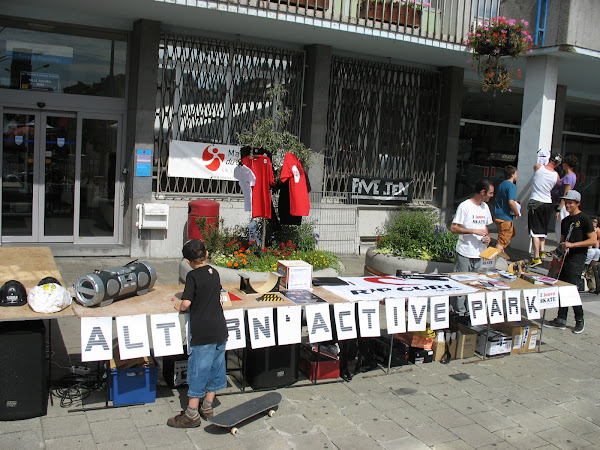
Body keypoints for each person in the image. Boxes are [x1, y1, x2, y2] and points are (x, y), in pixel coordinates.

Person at [168, 239, 228, 428]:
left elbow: (187, 303)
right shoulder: (215, 273)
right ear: (207, 254)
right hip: (220, 328)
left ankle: (192, 413)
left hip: (203, 331)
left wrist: (179, 305)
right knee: (216, 366)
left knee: (199, 369)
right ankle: (208, 406)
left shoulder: (192, 277)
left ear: (187, 261)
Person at [544, 191, 596, 334]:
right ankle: (561, 318)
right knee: (561, 288)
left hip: (577, 258)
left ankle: (579, 319)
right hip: (564, 258)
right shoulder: (565, 220)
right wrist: (554, 259)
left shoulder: (584, 219)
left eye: (570, 202)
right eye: (566, 202)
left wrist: (573, 245)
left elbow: (592, 240)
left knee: (572, 290)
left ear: (577, 203)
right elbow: (561, 242)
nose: (567, 205)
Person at [450, 179, 494, 313]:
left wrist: (487, 237)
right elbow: (454, 228)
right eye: (490, 193)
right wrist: (472, 230)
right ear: (482, 192)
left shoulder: (485, 207)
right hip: (465, 252)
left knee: (476, 285)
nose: (492, 196)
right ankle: (459, 313)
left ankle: (471, 313)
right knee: (461, 284)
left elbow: (484, 226)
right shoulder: (465, 206)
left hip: (480, 253)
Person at [528, 154, 561, 266]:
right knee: (543, 229)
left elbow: (536, 168)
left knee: (534, 232)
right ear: (558, 164)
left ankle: (536, 257)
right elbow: (556, 184)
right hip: (547, 203)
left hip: (536, 202)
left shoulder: (538, 167)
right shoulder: (556, 176)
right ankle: (542, 252)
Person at [493, 165, 520, 252]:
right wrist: (516, 212)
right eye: (516, 174)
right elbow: (511, 202)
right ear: (512, 174)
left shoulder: (502, 184)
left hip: (498, 214)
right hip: (506, 216)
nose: (517, 176)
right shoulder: (511, 186)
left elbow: (497, 198)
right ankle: (497, 259)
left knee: (506, 235)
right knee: (502, 241)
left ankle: (500, 254)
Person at [552, 155, 578, 242]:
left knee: (560, 227)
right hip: (561, 203)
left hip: (563, 205)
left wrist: (559, 208)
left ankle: (562, 245)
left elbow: (566, 194)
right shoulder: (569, 176)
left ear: (566, 164)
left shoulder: (569, 177)